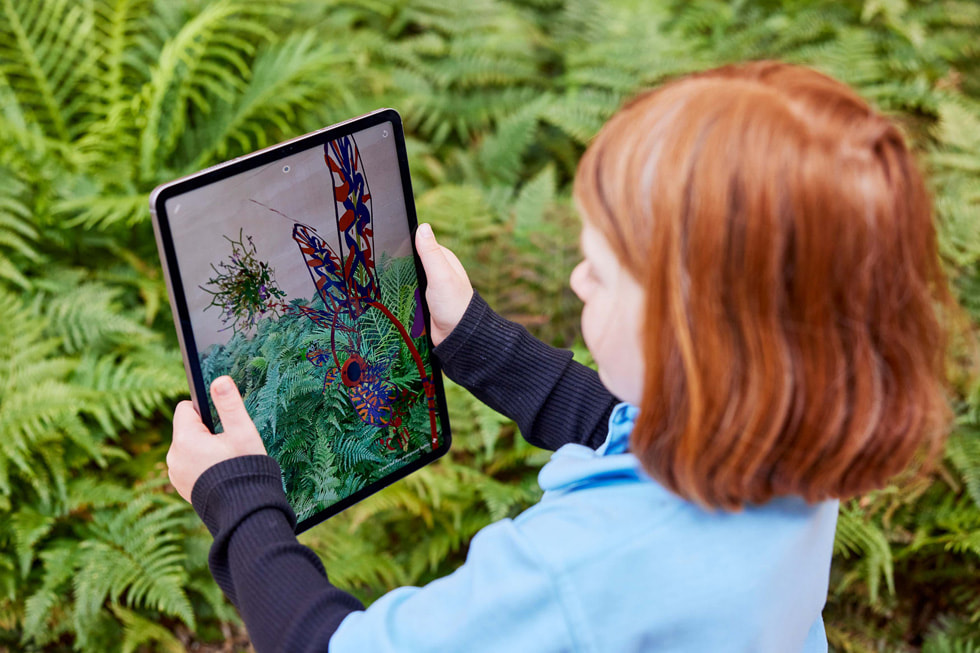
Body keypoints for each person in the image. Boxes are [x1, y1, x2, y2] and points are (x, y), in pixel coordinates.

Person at [166, 61, 951, 652]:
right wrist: (475, 339)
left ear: (696, 340)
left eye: (602, 270)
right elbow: (625, 427)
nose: (577, 277)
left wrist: (237, 498)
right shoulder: (795, 436)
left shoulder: (576, 572)